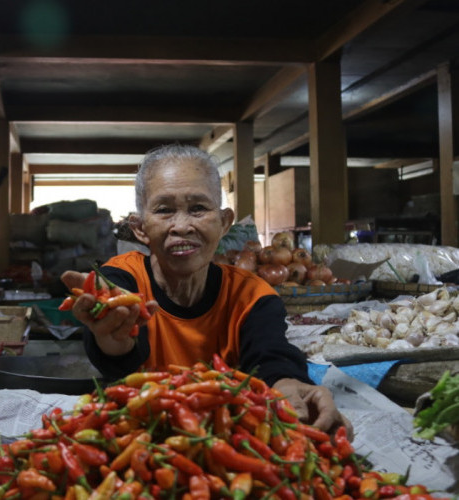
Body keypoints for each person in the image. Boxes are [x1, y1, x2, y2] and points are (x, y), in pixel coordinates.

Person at [61, 143, 352, 436]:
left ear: (224, 222)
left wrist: (288, 383)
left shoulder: (252, 295)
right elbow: (119, 335)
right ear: (139, 228)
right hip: (143, 438)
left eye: (198, 208)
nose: (182, 226)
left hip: (226, 440)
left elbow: (271, 355)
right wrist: (115, 339)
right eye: (164, 210)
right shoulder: (123, 279)